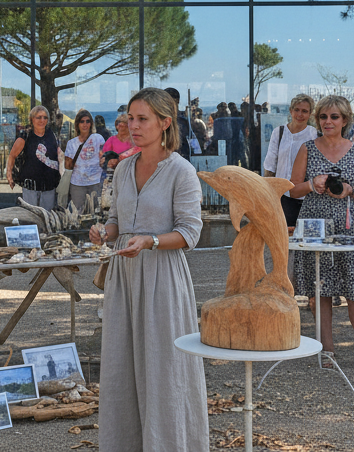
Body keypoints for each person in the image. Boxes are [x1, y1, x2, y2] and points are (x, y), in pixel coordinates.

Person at [90, 87, 209, 451]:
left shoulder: (182, 171)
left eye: (143, 119)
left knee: (164, 366)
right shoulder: (123, 168)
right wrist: (105, 232)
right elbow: (116, 220)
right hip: (123, 279)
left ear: (165, 123)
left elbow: (190, 233)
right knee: (121, 365)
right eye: (131, 118)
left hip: (162, 279)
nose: (134, 125)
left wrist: (150, 241)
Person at [289, 95, 354, 373]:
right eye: (323, 117)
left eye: (334, 117)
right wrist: (312, 184)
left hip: (347, 226)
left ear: (344, 120)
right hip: (315, 225)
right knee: (320, 290)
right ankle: (326, 350)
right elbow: (292, 189)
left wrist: (349, 189)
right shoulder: (307, 148)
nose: (328, 122)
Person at [264, 93, 318, 225]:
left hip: (307, 197)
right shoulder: (279, 132)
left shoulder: (314, 135)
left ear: (310, 113)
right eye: (297, 110)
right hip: (282, 196)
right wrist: (268, 195)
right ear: (291, 111)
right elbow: (270, 165)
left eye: (304, 111)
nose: (300, 114)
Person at [7, 105, 62, 210]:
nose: (42, 120)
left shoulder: (51, 135)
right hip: (31, 186)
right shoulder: (26, 135)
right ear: (32, 119)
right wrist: (9, 175)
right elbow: (12, 155)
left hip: (49, 186)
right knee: (31, 216)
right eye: (39, 117)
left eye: (45, 117)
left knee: (47, 216)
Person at [64, 109, 106, 215]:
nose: (85, 124)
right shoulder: (71, 143)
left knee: (96, 212)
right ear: (77, 124)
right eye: (82, 121)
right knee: (78, 213)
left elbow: (103, 158)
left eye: (88, 121)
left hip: (95, 181)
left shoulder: (98, 138)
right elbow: (68, 166)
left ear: (91, 123)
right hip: (77, 183)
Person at [163, 87, 194, 160]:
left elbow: (192, 143)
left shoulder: (184, 121)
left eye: (170, 101)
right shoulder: (158, 121)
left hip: (181, 158)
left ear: (177, 101)